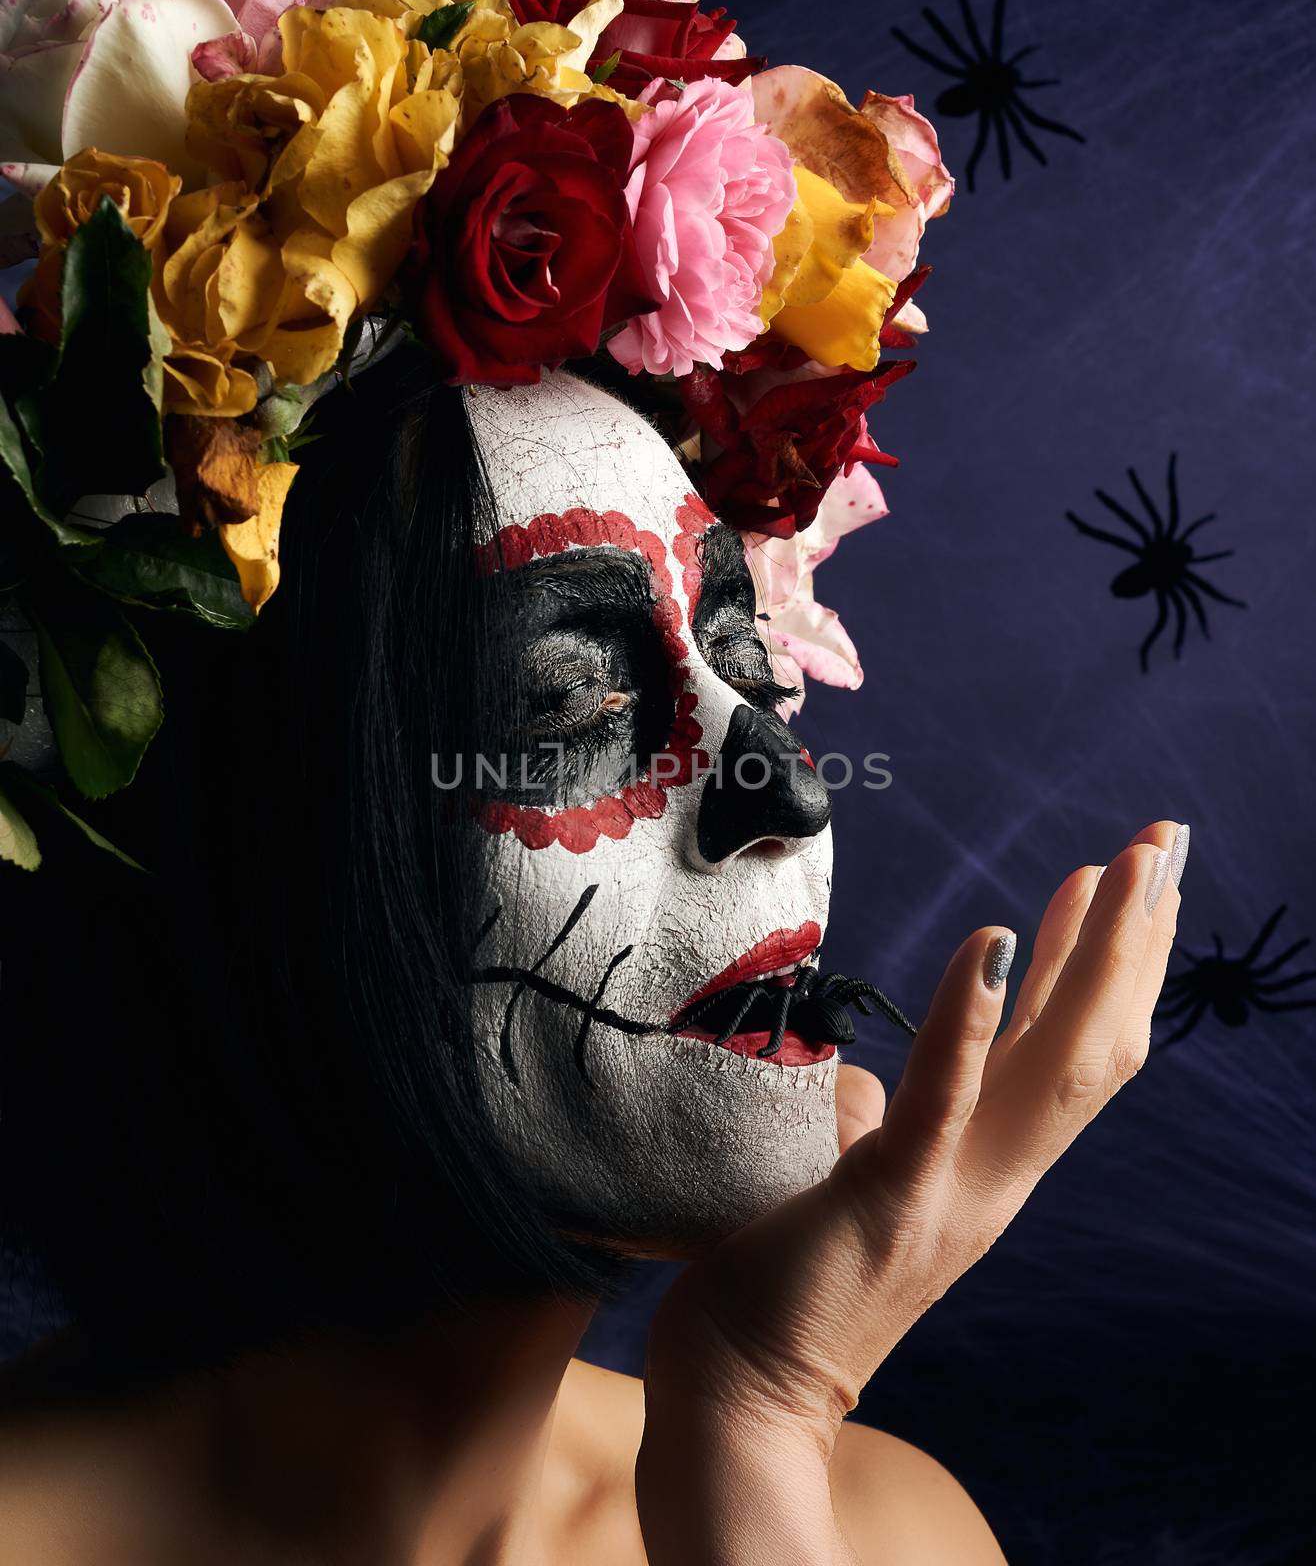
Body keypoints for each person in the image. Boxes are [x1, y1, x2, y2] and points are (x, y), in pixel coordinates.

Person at [0, 351, 1188, 1564]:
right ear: (243, 845)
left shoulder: (887, 1531)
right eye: (570, 698)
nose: (785, 786)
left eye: (746, 662)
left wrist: (754, 1422)